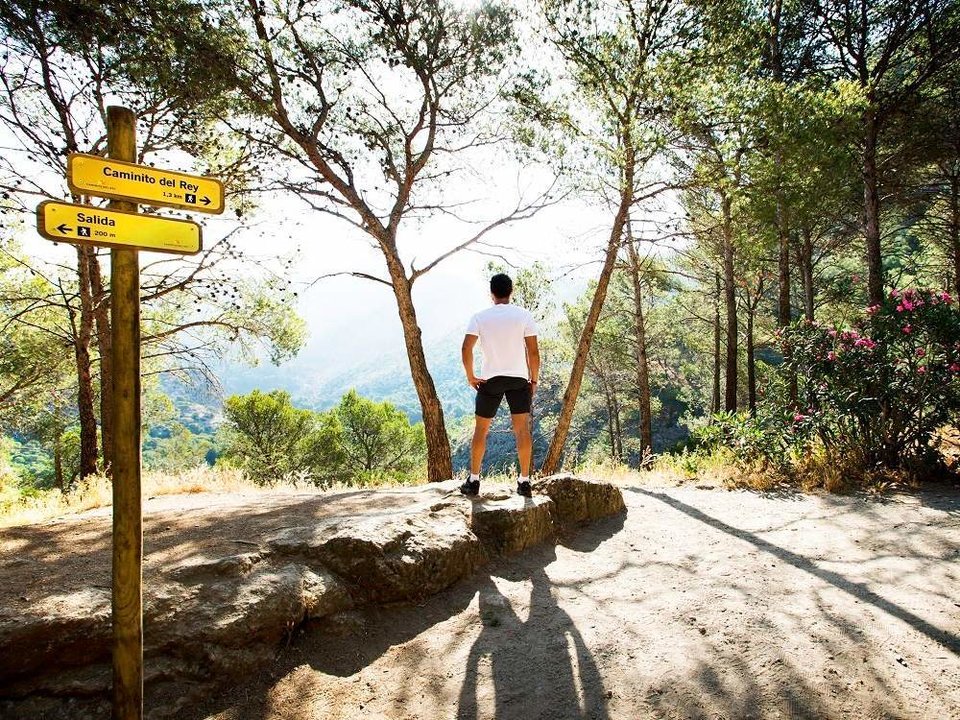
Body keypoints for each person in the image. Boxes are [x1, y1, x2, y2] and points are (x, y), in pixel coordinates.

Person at [460, 273, 540, 497]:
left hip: (490, 379)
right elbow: (533, 352)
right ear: (511, 291)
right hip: (518, 379)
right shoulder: (524, 315)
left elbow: (466, 349)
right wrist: (533, 379)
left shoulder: (479, 317)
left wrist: (471, 376)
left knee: (481, 430)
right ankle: (524, 482)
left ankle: (474, 481)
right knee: (521, 430)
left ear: (491, 293)